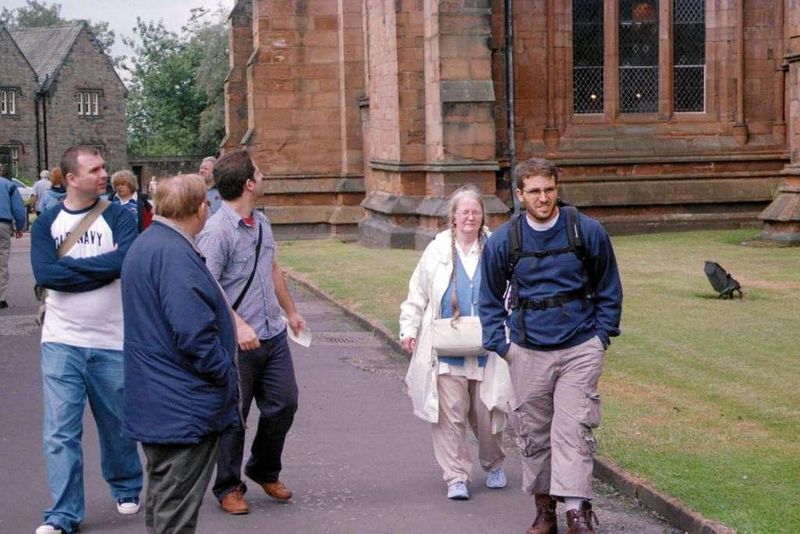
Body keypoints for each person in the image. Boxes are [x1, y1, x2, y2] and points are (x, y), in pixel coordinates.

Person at [480, 158, 622, 534]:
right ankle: (546, 510)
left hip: (579, 345)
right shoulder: (503, 241)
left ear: (557, 189)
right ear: (520, 194)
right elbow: (489, 299)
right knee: (534, 433)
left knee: (573, 428)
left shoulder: (586, 231)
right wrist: (502, 345)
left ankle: (576, 511)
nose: (543, 198)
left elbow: (609, 287)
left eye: (549, 189)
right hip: (527, 349)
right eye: (535, 191)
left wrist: (601, 337)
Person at [30, 146, 143, 534]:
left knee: (116, 423)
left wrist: (72, 269)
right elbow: (46, 275)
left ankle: (127, 484)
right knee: (60, 431)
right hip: (61, 340)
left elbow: (127, 261)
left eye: (104, 168)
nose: (103, 174)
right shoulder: (47, 222)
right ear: (71, 179)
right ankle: (63, 514)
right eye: (94, 169)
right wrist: (101, 270)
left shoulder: (119, 216)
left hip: (112, 338)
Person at [121, 174, 240, 534]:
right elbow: (194, 335)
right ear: (200, 208)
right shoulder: (173, 254)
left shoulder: (148, 243)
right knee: (175, 515)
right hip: (182, 406)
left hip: (159, 400)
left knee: (163, 503)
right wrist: (226, 374)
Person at [197, 149, 304, 515]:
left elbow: (272, 267)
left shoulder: (261, 222)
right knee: (234, 416)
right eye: (258, 171)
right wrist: (238, 324)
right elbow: (208, 287)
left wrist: (290, 311)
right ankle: (228, 486)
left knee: (285, 402)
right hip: (236, 341)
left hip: (272, 334)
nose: (262, 175)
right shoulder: (216, 232)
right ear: (248, 183)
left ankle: (262, 468)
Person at [399, 185, 512, 500]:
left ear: (482, 216)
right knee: (450, 416)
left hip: (488, 349)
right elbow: (417, 293)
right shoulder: (436, 251)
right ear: (453, 217)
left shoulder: (495, 247)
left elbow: (512, 294)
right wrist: (408, 329)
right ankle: (456, 476)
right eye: (464, 212)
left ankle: (494, 464)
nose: (470, 217)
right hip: (447, 350)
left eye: (475, 212)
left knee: (489, 412)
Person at [0, 162, 27, 309]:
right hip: (2, 224)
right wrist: (19, 226)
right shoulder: (8, 185)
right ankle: (1, 297)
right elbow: (18, 207)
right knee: (2, 261)